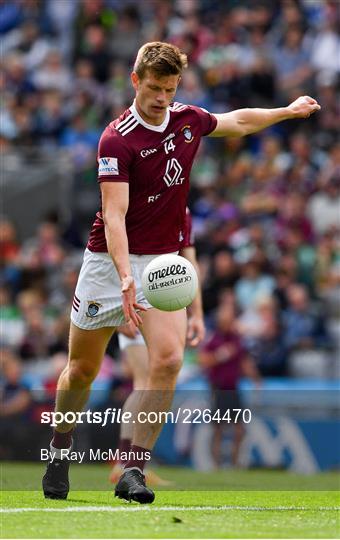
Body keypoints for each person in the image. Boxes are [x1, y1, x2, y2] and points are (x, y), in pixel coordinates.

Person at [42, 41, 320, 504]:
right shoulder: (116, 138)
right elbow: (114, 216)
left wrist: (286, 112)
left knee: (168, 361)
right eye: (154, 88)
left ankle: (134, 469)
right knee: (82, 370)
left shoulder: (187, 119)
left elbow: (238, 121)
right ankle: (60, 445)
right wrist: (124, 277)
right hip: (107, 263)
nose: (162, 99)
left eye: (170, 90)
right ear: (136, 81)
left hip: (161, 263)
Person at [110, 207, 204, 485]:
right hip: (132, 302)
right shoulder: (129, 204)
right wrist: (116, 308)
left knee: (156, 379)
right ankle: (127, 464)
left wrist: (196, 312)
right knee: (143, 382)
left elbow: (189, 264)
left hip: (165, 306)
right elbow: (109, 253)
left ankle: (131, 463)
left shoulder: (182, 210)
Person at [199, 302, 260, 468]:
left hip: (233, 389)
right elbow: (203, 361)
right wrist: (221, 355)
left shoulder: (237, 340)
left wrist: (255, 378)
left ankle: (234, 462)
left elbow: (244, 361)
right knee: (218, 429)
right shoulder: (214, 339)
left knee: (239, 429)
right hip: (218, 389)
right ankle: (216, 464)